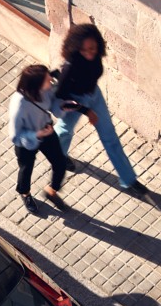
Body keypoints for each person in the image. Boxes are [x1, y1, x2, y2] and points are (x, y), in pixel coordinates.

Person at [52, 23, 147, 197]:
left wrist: (91, 107)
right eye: (85, 49)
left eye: (93, 48)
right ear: (76, 48)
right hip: (73, 100)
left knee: (110, 137)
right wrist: (86, 111)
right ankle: (59, 158)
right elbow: (61, 96)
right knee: (64, 132)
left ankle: (129, 179)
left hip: (94, 96)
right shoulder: (69, 67)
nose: (90, 52)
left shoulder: (96, 57)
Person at [9, 64, 69, 214]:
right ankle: (25, 193)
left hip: (47, 132)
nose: (51, 82)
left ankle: (51, 190)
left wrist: (64, 107)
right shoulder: (19, 104)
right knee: (26, 168)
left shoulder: (46, 90)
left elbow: (53, 108)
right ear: (37, 84)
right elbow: (15, 136)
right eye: (48, 80)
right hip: (27, 141)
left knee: (60, 162)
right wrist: (36, 135)